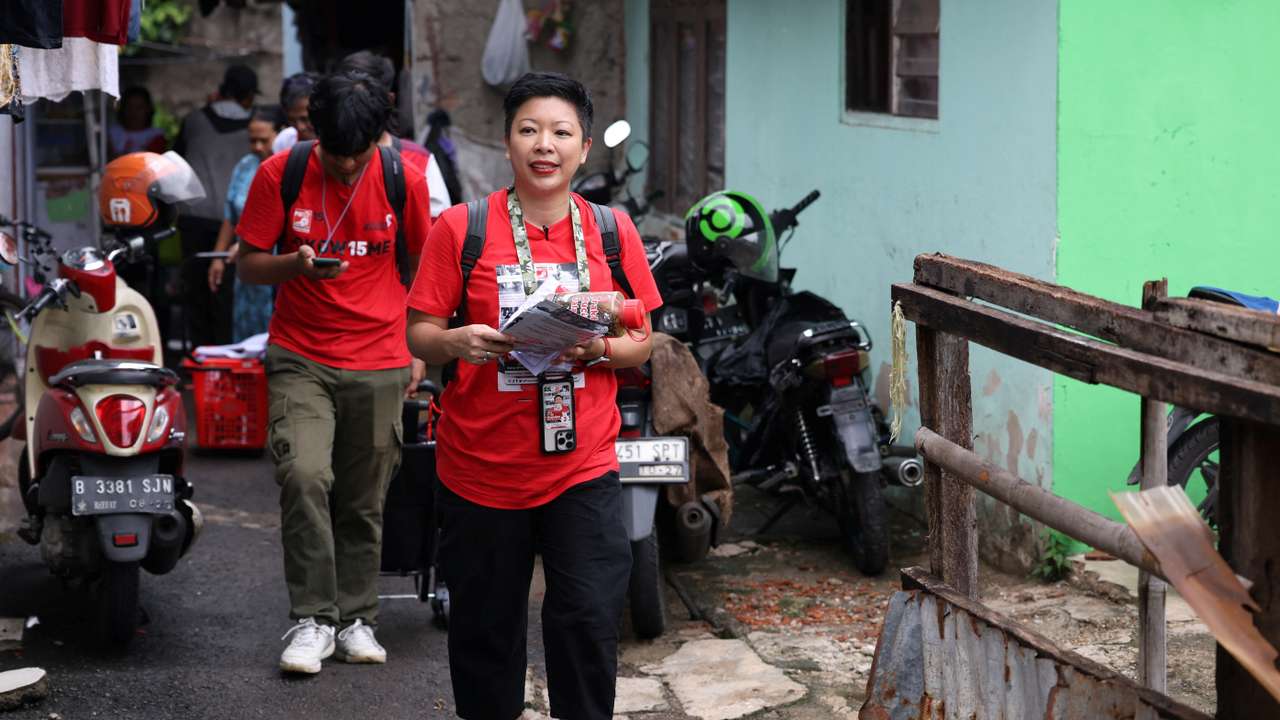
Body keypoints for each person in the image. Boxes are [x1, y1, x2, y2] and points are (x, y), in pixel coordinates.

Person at [406, 71, 663, 720]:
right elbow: (420, 334)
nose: (543, 144)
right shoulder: (461, 229)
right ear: (507, 141)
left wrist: (599, 349)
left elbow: (642, 340)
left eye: (560, 132)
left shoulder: (612, 230)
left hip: (584, 469)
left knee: (586, 625)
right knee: (485, 639)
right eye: (529, 130)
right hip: (480, 472)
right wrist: (458, 342)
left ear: (584, 146)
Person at [234, 71, 430, 674]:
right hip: (301, 355)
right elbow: (248, 265)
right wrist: (294, 263)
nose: (348, 167)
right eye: (337, 155)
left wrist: (420, 344)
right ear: (314, 133)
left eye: (360, 154)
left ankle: (358, 620)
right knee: (303, 475)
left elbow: (425, 268)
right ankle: (312, 620)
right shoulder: (281, 174)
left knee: (364, 499)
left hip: (381, 358)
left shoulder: (406, 180)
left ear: (380, 138)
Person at [174, 64, 258, 348]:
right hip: (237, 222)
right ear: (248, 97)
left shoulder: (193, 121)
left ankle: (199, 358)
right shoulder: (259, 128)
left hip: (195, 217)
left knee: (196, 295)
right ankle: (225, 359)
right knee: (229, 297)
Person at [336, 50, 452, 218]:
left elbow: (436, 232)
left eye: (364, 98)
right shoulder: (315, 158)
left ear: (388, 100)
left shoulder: (418, 161)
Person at [206, 107, 278, 341]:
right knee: (245, 338)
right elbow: (231, 214)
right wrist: (218, 256)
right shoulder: (246, 165)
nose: (257, 147)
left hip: (277, 266)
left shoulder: (289, 167)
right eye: (252, 140)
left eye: (264, 140)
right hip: (245, 267)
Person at [109, 86, 167, 158]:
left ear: (148, 109)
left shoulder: (156, 135)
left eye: (139, 107)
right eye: (129, 107)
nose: (133, 112)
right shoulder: (112, 133)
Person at [271, 71, 320, 154]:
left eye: (305, 119)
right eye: (292, 120)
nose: (300, 127)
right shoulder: (284, 141)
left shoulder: (340, 142)